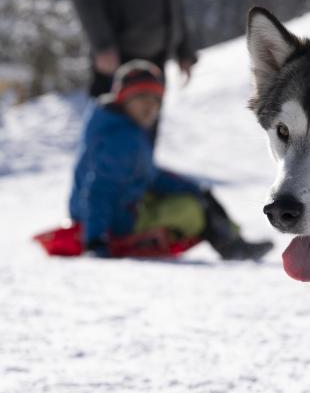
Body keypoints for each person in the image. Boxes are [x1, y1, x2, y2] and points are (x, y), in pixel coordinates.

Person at [68, 60, 273, 260]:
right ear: (124, 98)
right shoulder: (121, 138)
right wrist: (95, 240)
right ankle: (231, 245)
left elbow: (145, 175)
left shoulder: (123, 127)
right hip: (115, 219)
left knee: (197, 194)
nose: (150, 106)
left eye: (156, 100)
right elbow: (99, 189)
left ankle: (232, 241)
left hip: (119, 206)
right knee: (192, 210)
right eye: (141, 97)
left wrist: (189, 187)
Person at [67, 0, 197, 142]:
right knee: (112, 142)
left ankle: (141, 171)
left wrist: (184, 49)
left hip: (156, 56)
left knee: (145, 139)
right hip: (117, 59)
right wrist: (102, 45)